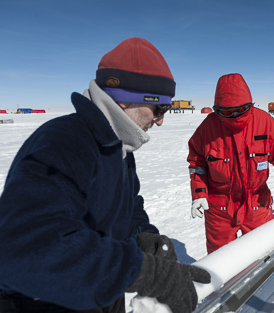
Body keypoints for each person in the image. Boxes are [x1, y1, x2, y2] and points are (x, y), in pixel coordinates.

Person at [0, 37, 210, 313]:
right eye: (159, 108)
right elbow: (27, 249)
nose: (161, 120)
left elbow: (126, 209)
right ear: (125, 101)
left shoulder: (119, 148)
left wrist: (143, 238)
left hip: (100, 297)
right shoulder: (63, 143)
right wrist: (144, 272)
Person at [187, 73, 274, 254]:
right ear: (217, 109)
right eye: (227, 112)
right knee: (220, 260)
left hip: (257, 203)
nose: (235, 116)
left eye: (241, 110)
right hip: (220, 207)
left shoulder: (264, 121)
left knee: (262, 254)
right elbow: (197, 163)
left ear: (250, 105)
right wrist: (199, 193)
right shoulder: (207, 128)